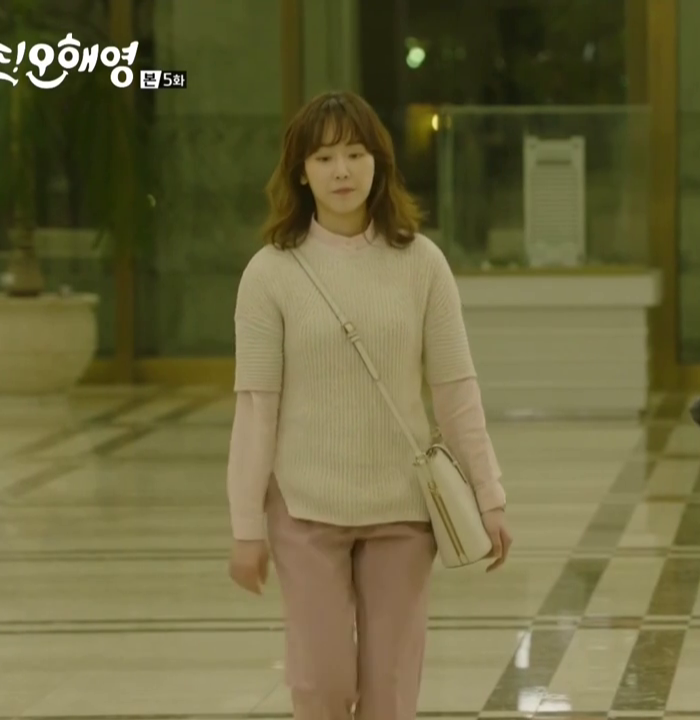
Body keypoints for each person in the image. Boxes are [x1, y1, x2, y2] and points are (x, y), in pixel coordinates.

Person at [225, 90, 514, 720]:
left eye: (356, 154)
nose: (342, 171)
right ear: (301, 171)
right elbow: (256, 410)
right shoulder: (269, 274)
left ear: (379, 163)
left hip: (404, 510)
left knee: (391, 691)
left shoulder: (422, 263)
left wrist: (489, 495)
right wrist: (247, 528)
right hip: (305, 509)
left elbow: (456, 389)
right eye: (325, 157)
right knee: (322, 685)